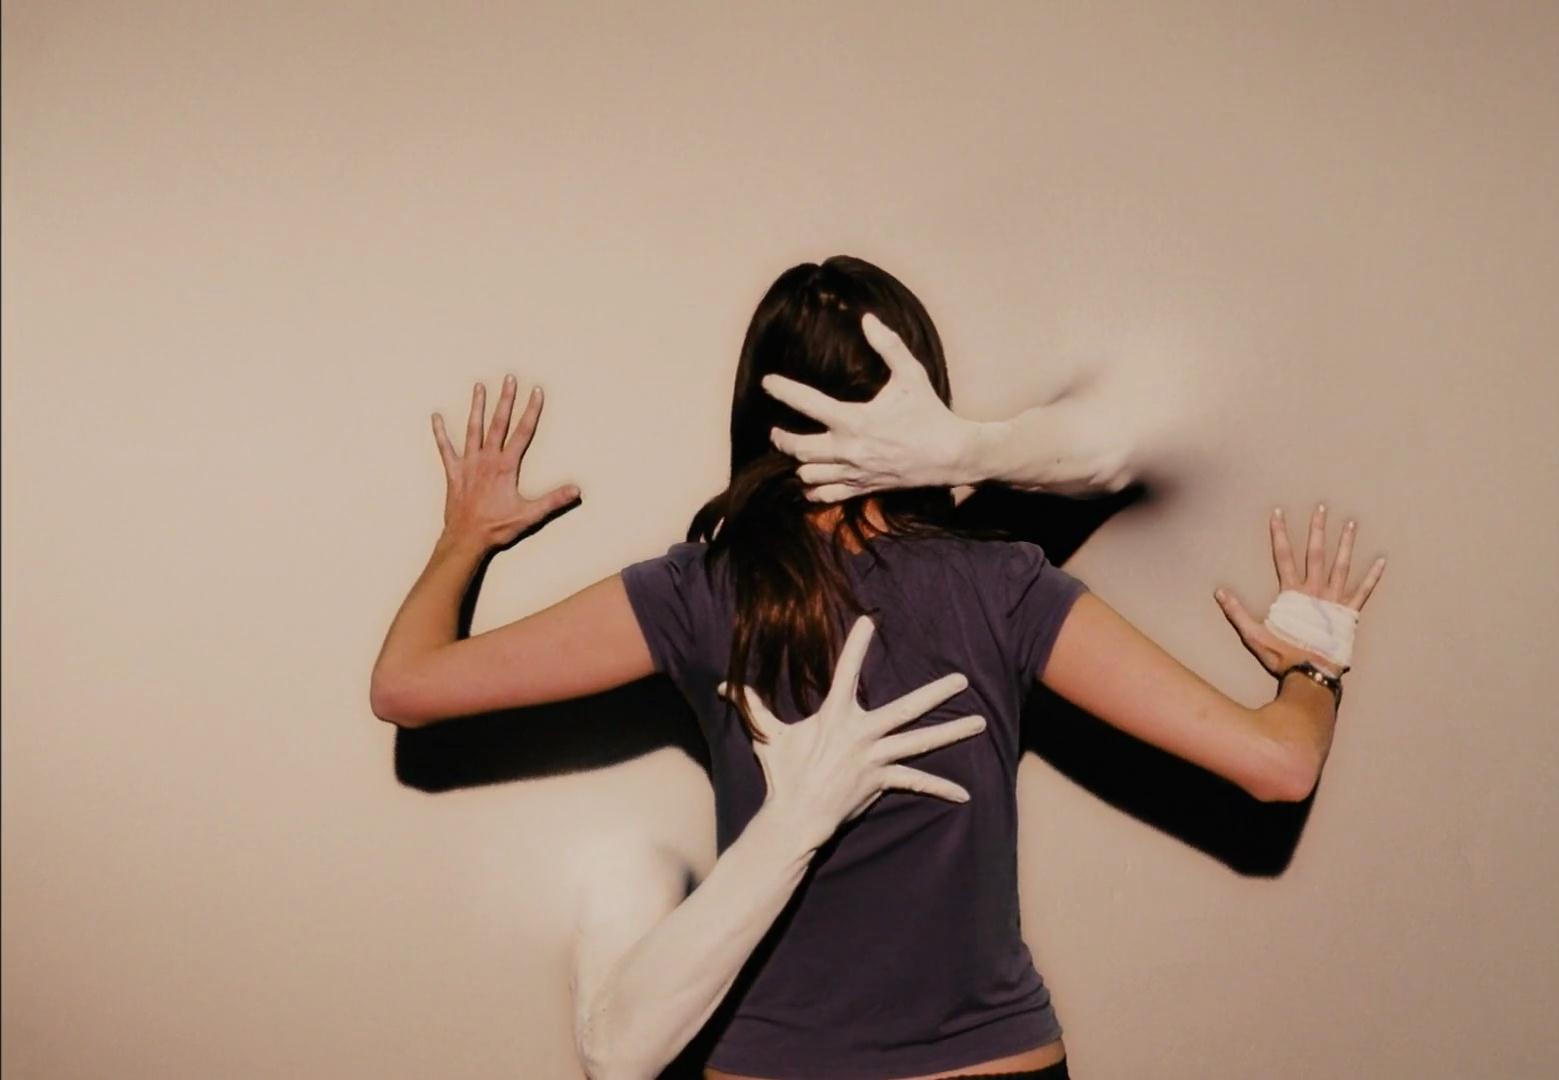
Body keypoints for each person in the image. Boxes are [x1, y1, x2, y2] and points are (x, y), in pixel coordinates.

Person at [369, 256, 1387, 1080]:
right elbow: (1278, 765)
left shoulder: (700, 591)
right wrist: (1315, 667)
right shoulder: (1002, 586)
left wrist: (466, 538)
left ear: (759, 414)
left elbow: (408, 686)